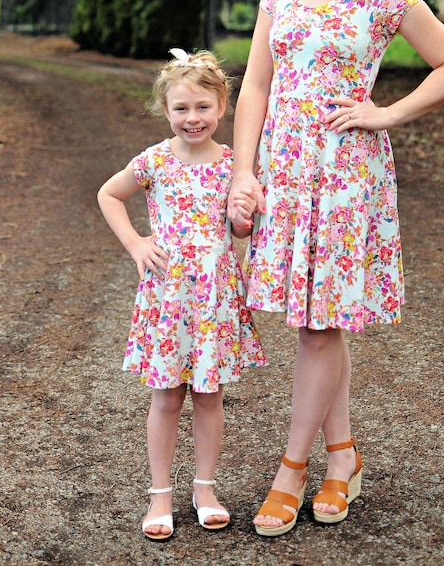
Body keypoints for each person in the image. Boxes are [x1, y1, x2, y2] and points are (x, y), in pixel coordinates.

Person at [227, 0, 444, 537]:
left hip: (345, 180)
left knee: (318, 324)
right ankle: (343, 458)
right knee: (314, 320)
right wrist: (244, 171)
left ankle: (291, 468)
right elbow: (254, 85)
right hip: (283, 171)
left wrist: (387, 113)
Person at [97, 48, 266, 541]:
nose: (193, 118)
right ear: (165, 110)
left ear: (223, 106)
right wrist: (136, 243)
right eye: (181, 108)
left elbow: (239, 231)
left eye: (203, 108)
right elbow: (109, 194)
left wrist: (241, 219)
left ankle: (205, 489)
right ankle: (160, 495)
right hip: (168, 297)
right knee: (167, 398)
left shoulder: (235, 165)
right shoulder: (154, 161)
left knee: (210, 397)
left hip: (213, 296)